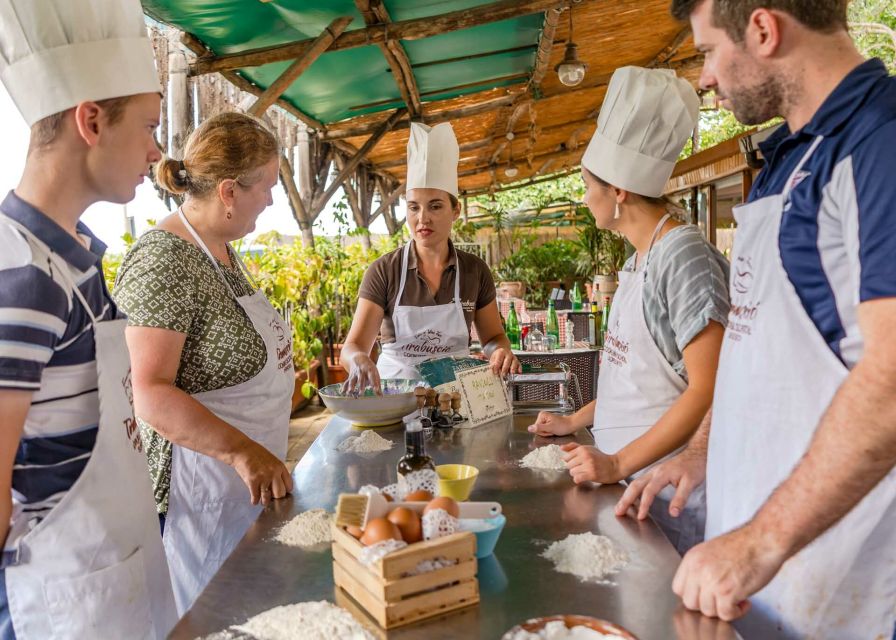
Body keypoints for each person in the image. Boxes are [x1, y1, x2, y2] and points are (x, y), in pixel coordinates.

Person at [615, 1, 896, 636]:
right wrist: (704, 450)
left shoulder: (880, 144)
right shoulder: (782, 162)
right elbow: (754, 342)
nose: (706, 76)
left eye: (709, 51)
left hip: (839, 585)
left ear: (764, 31)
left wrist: (761, 542)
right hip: (749, 583)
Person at [0, 0, 177, 637]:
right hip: (58, 610)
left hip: (120, 592)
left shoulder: (76, 260)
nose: (156, 152)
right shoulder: (19, 277)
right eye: (150, 127)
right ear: (92, 120)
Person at [527, 67, 729, 554]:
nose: (583, 197)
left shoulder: (683, 257)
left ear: (618, 190)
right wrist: (576, 421)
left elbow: (710, 387)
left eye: (587, 185)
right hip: (631, 486)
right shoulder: (639, 258)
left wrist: (616, 464)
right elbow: (633, 377)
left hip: (673, 495)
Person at [113, 112, 294, 613]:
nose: (272, 200)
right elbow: (147, 391)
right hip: (195, 501)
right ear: (230, 191)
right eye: (268, 188)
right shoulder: (164, 261)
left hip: (241, 493)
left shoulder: (223, 251)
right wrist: (243, 453)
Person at [341, 121, 520, 391]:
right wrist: (357, 360)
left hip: (457, 395)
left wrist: (499, 351)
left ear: (455, 210)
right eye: (414, 208)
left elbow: (493, 336)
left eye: (435, 206)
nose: (422, 218)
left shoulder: (474, 271)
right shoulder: (384, 271)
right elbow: (353, 346)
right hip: (395, 396)